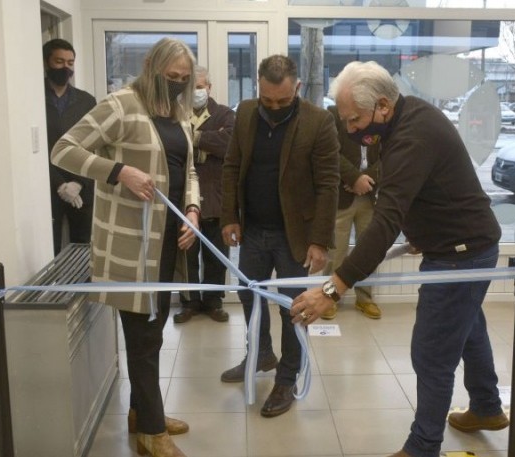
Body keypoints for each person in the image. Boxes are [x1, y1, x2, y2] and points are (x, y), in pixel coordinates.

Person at [290, 61, 507, 457]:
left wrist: (332, 289)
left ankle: (423, 447)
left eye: (355, 120)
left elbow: (385, 219)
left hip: (461, 254)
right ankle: (487, 408)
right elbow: (423, 187)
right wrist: (423, 231)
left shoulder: (412, 135)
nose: (351, 129)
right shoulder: (404, 121)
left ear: (384, 106)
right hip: (461, 245)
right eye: (345, 120)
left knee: (432, 350)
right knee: (468, 326)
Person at [51, 37, 200, 457]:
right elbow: (63, 150)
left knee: (153, 332)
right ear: (152, 68)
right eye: (171, 77)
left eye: (184, 79)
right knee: (143, 336)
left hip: (170, 239)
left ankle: (141, 412)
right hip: (132, 245)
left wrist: (191, 208)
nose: (177, 85)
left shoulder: (180, 112)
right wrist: (118, 171)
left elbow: (187, 169)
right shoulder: (121, 105)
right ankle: (151, 432)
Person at [220, 54, 340, 418]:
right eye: (267, 100)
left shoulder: (319, 122)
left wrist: (319, 241)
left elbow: (328, 184)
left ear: (297, 88)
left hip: (296, 236)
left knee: (295, 309)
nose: (273, 108)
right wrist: (229, 216)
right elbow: (232, 166)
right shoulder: (245, 113)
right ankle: (261, 354)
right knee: (248, 298)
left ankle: (286, 378)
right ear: (258, 87)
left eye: (283, 101)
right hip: (253, 230)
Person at [174, 65, 235, 324]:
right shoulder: (173, 113)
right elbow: (174, 148)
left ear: (209, 88)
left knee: (215, 255)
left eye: (200, 87)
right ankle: (190, 302)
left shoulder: (224, 114)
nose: (196, 92)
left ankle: (213, 301)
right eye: (191, 87)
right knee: (186, 255)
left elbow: (230, 143)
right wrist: (211, 143)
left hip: (216, 197)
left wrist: (194, 138)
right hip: (184, 198)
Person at [321, 104, 383, 320]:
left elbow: (390, 155)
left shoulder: (379, 117)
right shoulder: (334, 114)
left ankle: (365, 298)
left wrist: (365, 178)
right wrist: (353, 178)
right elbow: (330, 151)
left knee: (370, 249)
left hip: (370, 194)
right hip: (342, 195)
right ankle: (329, 298)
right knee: (335, 252)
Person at [43, 38, 97, 256]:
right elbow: (35, 152)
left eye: (70, 62)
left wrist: (79, 182)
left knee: (83, 246)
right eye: (59, 61)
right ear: (46, 63)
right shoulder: (33, 99)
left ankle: (83, 291)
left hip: (81, 184)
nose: (66, 67)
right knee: (49, 246)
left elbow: (94, 146)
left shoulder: (86, 102)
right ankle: (52, 291)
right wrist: (59, 184)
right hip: (47, 185)